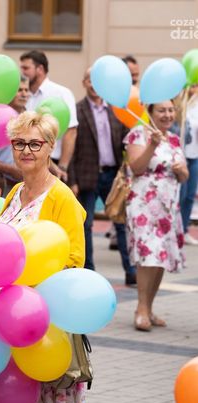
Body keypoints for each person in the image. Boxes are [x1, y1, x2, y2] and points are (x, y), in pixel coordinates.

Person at [0, 111, 86, 403]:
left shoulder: (62, 197)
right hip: (10, 316)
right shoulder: (15, 191)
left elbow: (74, 260)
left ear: (50, 147)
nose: (26, 150)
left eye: (35, 144)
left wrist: (33, 283)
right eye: (19, 143)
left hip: (44, 321)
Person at [70, 68, 136, 286]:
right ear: (84, 83)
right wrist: (72, 181)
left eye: (96, 80)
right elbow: (71, 148)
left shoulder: (116, 110)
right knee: (86, 224)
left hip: (113, 175)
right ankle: (89, 270)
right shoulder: (77, 111)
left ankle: (131, 270)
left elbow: (127, 140)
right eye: (89, 80)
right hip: (86, 177)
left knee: (121, 222)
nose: (93, 84)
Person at [125, 100, 188, 331]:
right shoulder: (138, 135)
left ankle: (149, 308)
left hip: (168, 207)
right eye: (161, 110)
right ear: (150, 112)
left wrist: (181, 172)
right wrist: (152, 144)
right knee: (148, 255)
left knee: (161, 257)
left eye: (170, 110)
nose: (167, 114)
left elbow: (184, 175)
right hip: (143, 205)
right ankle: (140, 309)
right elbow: (136, 168)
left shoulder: (174, 139)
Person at [20, 50, 78, 182]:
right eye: (21, 68)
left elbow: (71, 131)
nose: (22, 72)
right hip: (28, 161)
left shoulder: (61, 93)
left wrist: (62, 166)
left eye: (26, 68)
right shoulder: (24, 95)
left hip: (54, 163)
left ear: (40, 69)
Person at [0, 77, 30, 194]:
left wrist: (55, 169)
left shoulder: (31, 117)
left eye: (26, 90)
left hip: (27, 185)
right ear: (8, 92)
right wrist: (11, 170)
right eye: (19, 90)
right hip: (2, 185)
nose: (24, 94)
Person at [179, 84, 198, 245]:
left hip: (194, 155)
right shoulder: (180, 104)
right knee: (181, 195)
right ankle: (175, 231)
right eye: (193, 85)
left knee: (190, 196)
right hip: (181, 156)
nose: (195, 89)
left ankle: (184, 230)